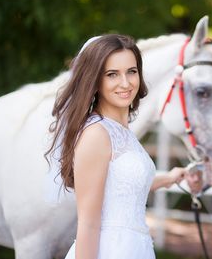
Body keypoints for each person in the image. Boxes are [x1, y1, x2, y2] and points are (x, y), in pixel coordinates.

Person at [45, 34, 186, 259]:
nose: (125, 82)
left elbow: (121, 187)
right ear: (95, 81)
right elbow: (88, 224)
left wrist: (170, 178)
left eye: (132, 71)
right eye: (112, 74)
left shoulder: (122, 131)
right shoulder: (96, 134)